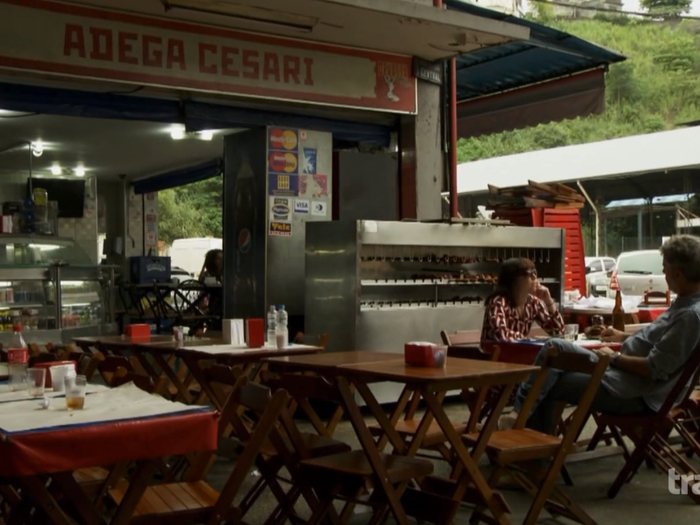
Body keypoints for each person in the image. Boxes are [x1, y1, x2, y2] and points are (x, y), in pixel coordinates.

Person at [499, 235, 700, 433]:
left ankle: (535, 452)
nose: (663, 275)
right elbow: (658, 343)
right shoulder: (684, 305)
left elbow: (653, 368)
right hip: (621, 375)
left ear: (679, 275)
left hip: (633, 392)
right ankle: (522, 423)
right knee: (555, 347)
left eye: (665, 270)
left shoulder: (690, 316)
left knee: (551, 378)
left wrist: (614, 357)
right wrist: (622, 337)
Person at [480, 257, 565, 345]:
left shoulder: (533, 302)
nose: (535, 277)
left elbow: (558, 332)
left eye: (535, 272)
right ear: (515, 279)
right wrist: (527, 339)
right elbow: (500, 334)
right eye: (530, 273)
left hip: (519, 355)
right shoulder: (498, 302)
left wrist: (549, 301)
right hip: (493, 357)